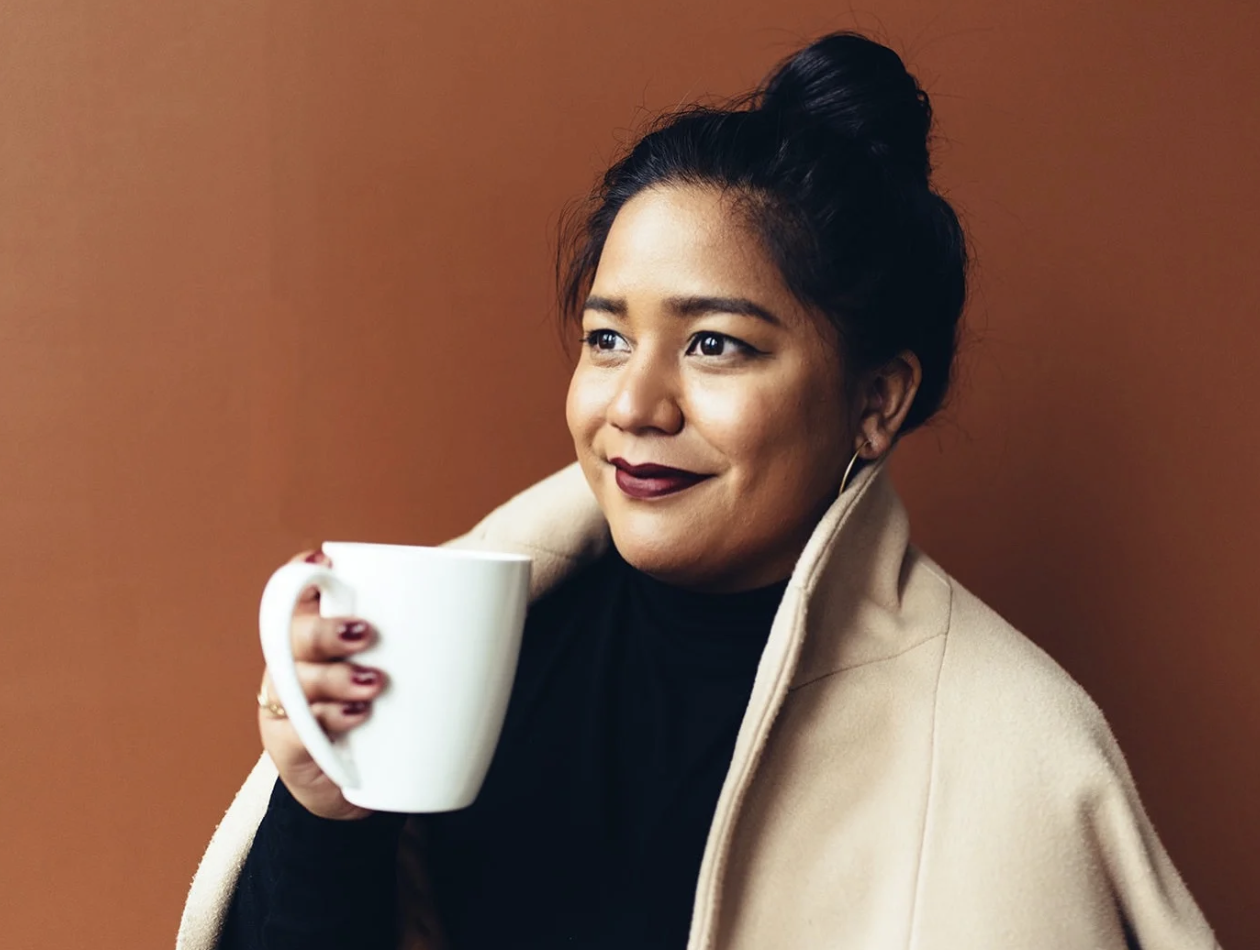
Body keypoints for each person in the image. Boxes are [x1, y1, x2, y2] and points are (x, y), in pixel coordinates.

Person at [176, 30, 1220, 950]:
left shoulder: (1013, 748)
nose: (636, 401)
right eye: (606, 337)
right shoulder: (493, 658)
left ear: (877, 400)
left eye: (715, 343)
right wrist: (325, 804)